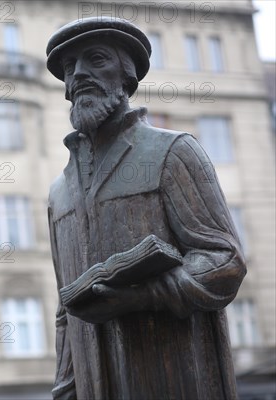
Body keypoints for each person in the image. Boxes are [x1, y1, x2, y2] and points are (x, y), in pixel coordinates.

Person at [46, 17, 246, 399]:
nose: (79, 75)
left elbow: (225, 260)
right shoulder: (59, 192)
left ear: (128, 75)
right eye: (70, 69)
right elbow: (65, 311)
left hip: (171, 380)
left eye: (97, 59)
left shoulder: (173, 152)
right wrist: (66, 387)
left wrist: (142, 296)